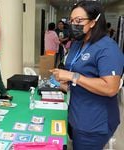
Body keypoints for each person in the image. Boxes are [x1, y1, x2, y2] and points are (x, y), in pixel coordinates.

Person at [50, 1, 124, 149]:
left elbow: (110, 88)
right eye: (71, 21)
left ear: (93, 21)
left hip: (94, 123)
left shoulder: (107, 48)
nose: (73, 25)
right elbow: (81, 73)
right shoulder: (78, 43)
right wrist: (66, 83)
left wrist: (72, 77)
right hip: (75, 113)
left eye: (79, 21)